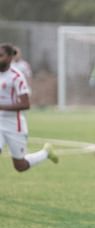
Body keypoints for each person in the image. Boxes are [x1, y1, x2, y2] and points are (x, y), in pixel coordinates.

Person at [0, 43, 58, 172]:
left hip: (14, 124)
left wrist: (1, 106)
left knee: (20, 166)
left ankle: (46, 153)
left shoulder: (16, 77)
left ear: (10, 58)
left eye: (1, 56)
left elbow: (26, 104)